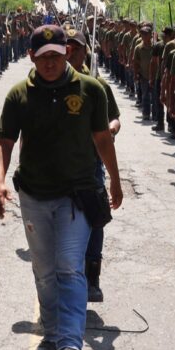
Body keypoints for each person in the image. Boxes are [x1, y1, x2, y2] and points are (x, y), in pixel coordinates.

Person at [0, 25, 123, 350]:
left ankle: (70, 344)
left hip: (76, 195)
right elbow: (5, 142)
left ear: (67, 54)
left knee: (68, 265)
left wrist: (114, 179)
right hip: (34, 195)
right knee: (44, 270)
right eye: (43, 56)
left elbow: (102, 138)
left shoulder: (91, 90)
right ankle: (50, 336)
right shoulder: (19, 95)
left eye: (56, 55)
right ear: (31, 57)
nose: (50, 63)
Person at [64, 27, 121, 303]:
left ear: (85, 51)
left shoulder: (98, 84)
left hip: (90, 163)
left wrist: (111, 128)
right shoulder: (50, 81)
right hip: (58, 165)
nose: (70, 52)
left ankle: (92, 278)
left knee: (95, 218)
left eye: (76, 48)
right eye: (66, 47)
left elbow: (115, 118)